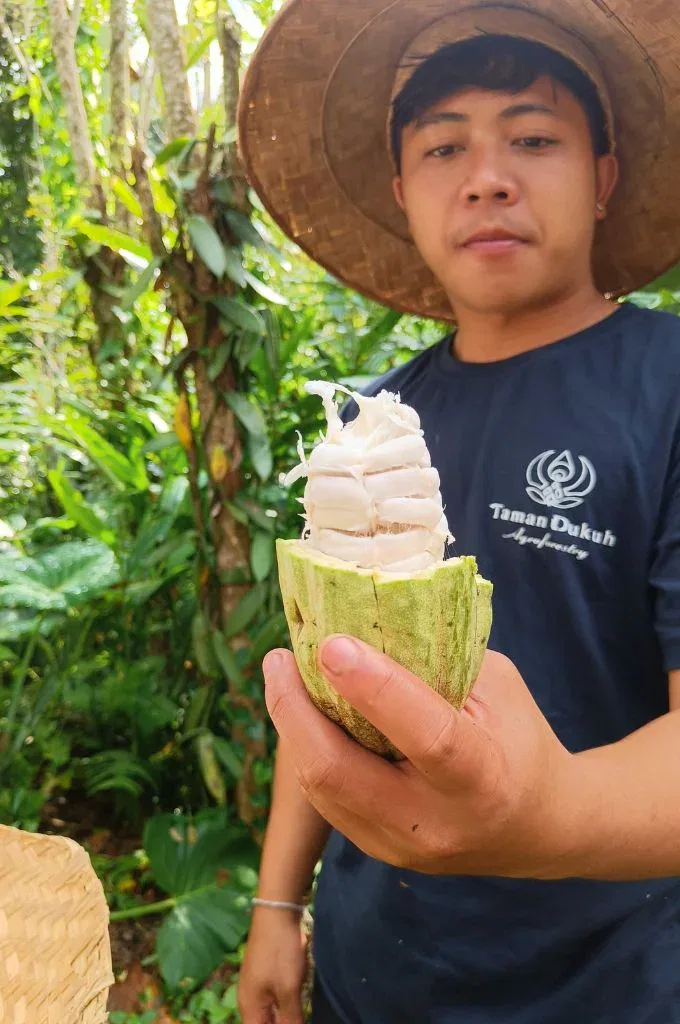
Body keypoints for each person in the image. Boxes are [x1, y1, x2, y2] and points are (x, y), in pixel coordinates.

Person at [236, 2, 680, 1022]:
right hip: (371, 980)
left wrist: (544, 814)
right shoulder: (370, 427)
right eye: (443, 148)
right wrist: (275, 904)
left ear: (602, 175)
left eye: (533, 138)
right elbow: (328, 684)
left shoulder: (665, 387)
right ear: (402, 193)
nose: (486, 177)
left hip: (608, 990)